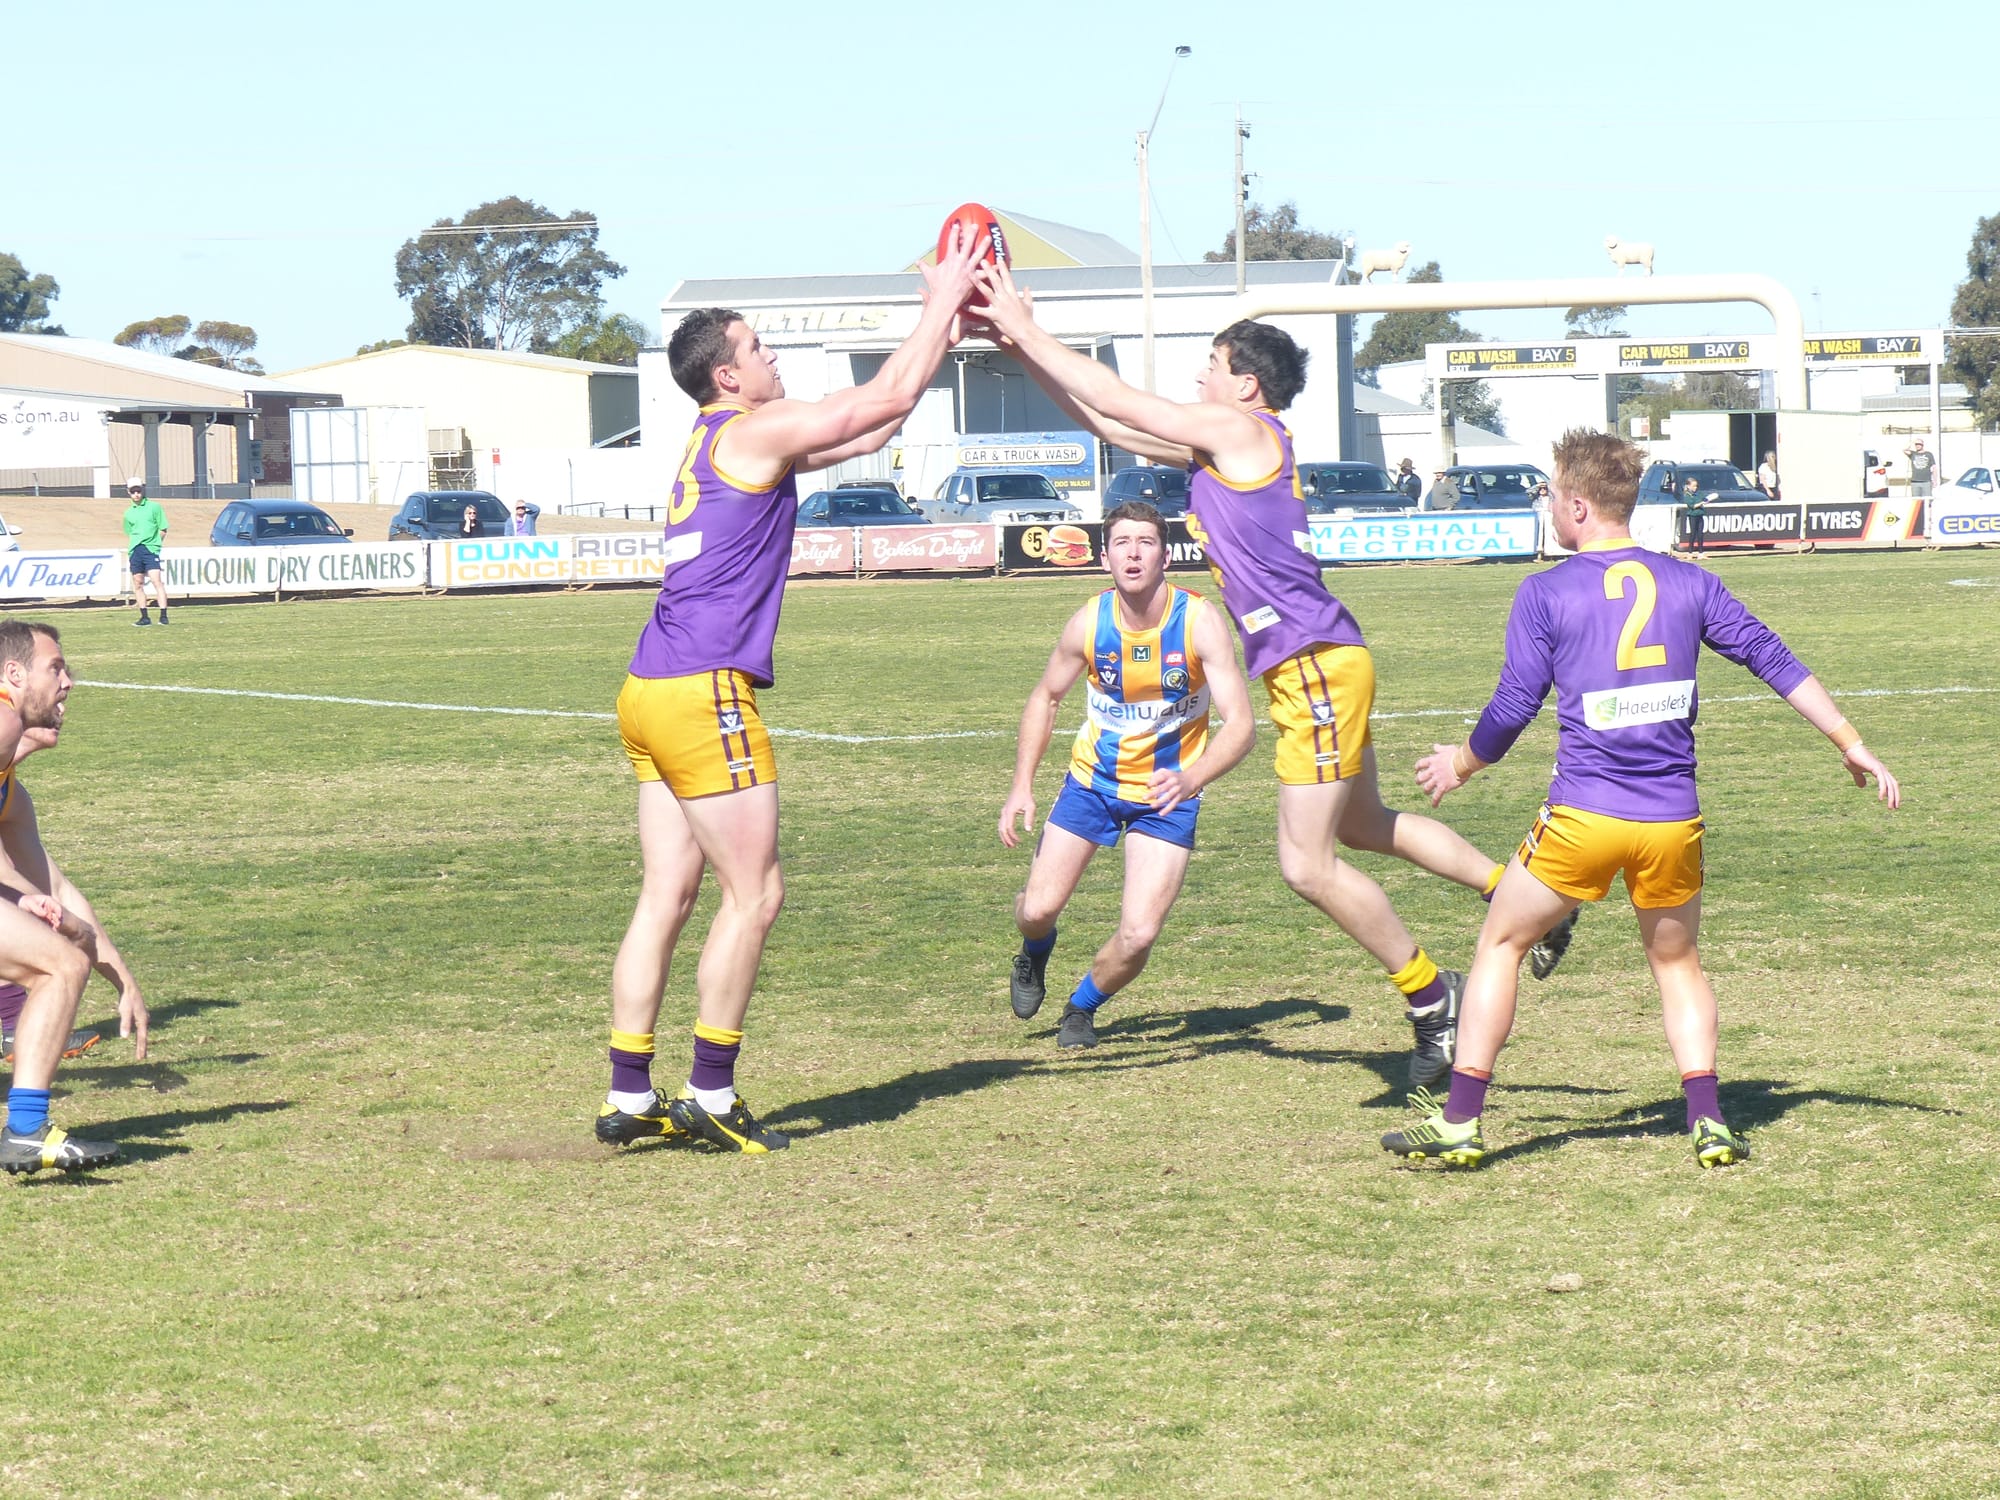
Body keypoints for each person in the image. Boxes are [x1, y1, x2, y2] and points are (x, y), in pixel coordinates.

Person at [971, 263, 1577, 1089]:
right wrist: (1019, 343)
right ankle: (1526, 900)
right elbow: (1107, 419)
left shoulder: (1246, 436)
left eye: (1210, 367)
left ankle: (1434, 1002)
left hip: (1315, 670)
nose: (1197, 378)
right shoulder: (1226, 445)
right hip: (1321, 666)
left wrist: (1024, 322)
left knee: (1307, 866)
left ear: (1245, 385)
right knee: (1362, 828)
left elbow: (1120, 399)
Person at [1385, 430, 1900, 1170]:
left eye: (1553, 495)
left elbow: (1513, 704)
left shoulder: (1545, 590)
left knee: (1501, 943)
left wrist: (1462, 764)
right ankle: (1710, 1121)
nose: (1549, 508)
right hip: (1670, 821)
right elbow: (1771, 656)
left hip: (1584, 818)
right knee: (1678, 964)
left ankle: (1462, 1121)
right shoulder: (1690, 582)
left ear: (1580, 505)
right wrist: (1849, 740)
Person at [595, 227, 986, 1154]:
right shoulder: (754, 429)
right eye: (759, 348)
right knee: (755, 895)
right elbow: (881, 395)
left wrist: (946, 332)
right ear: (727, 375)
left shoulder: (711, 440)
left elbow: (880, 420)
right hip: (703, 695)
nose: (771, 358)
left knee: (665, 898)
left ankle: (626, 1091)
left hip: (647, 688)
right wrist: (942, 298)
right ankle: (713, 1092)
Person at [1000, 502, 1256, 1049]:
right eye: (1122, 543)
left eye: (1145, 542)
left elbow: (1242, 727)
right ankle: (1034, 952)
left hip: (1166, 796)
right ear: (1105, 556)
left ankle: (1082, 1006)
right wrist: (1021, 786)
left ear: (1165, 555)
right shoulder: (1090, 622)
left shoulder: (1199, 621)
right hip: (1092, 784)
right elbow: (1045, 698)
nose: (1134, 552)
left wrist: (1193, 777)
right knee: (1037, 909)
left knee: (1139, 934)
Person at [0, 621, 144, 1174]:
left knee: (62, 959)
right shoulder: (4, 718)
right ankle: (26, 1130)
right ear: (14, 674)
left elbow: (58, 892)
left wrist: (123, 980)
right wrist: (18, 890)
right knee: (59, 964)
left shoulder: (10, 795)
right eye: (55, 667)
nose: (68, 682)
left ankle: (28, 1130)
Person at [122, 478, 170, 626]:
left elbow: (163, 528)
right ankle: (144, 617)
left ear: (143, 490)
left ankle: (163, 615)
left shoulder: (154, 507)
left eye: (138, 491)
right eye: (133, 491)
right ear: (128, 492)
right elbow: (130, 531)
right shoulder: (128, 513)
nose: (136, 494)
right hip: (136, 550)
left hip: (150, 549)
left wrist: (155, 545)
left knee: (157, 581)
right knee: (138, 583)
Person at [1681, 474, 1705, 554]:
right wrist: (1701, 503)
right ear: (1688, 486)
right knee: (1693, 533)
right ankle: (1690, 552)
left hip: (1700, 515)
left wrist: (1707, 499)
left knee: (1700, 534)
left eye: (1696, 486)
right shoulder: (1687, 495)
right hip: (1693, 516)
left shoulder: (1699, 493)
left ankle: (1701, 552)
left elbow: (1704, 498)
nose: (1695, 488)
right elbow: (1692, 506)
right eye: (1694, 486)